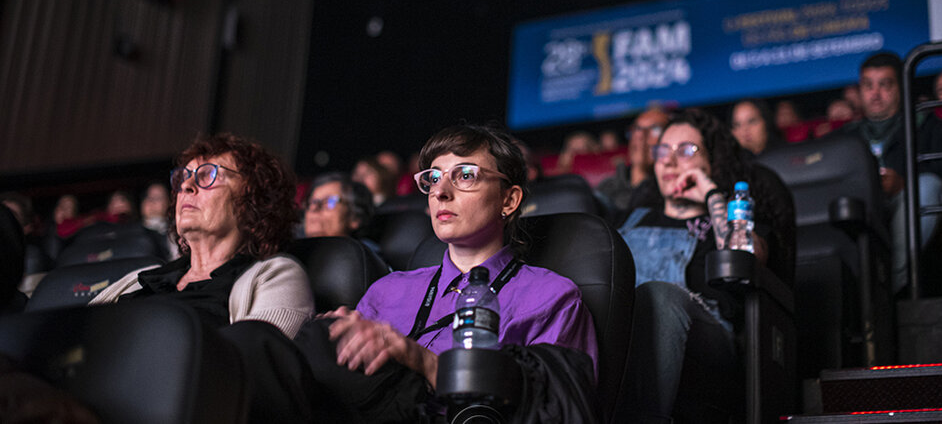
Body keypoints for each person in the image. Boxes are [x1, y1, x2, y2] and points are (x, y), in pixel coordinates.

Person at [295, 124, 599, 422]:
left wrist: (423, 362)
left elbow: (557, 407)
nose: (440, 191)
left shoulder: (551, 297)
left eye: (465, 176)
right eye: (434, 178)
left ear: (509, 200)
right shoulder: (387, 289)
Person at [615, 109, 795, 423]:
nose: (669, 162)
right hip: (624, 336)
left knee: (659, 297)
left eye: (686, 151)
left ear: (712, 160)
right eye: (662, 151)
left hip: (708, 343)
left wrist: (712, 194)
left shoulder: (731, 219)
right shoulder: (633, 218)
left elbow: (746, 257)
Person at [89, 133, 314, 339]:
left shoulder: (276, 275)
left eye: (208, 175)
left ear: (253, 199)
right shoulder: (138, 279)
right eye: (182, 177)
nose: (186, 185)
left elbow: (251, 369)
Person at [837, 52, 942, 294]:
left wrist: (903, 185)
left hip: (912, 214)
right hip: (863, 215)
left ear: (901, 87)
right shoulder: (844, 137)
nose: (875, 93)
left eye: (885, 84)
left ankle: (885, 292)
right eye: (868, 85)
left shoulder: (931, 127)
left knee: (927, 187)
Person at [597, 107, 670, 211]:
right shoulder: (607, 188)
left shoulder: (672, 188)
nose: (640, 136)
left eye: (655, 129)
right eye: (637, 129)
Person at [303, 172, 378, 253]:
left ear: (355, 218)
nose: (314, 209)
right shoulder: (295, 252)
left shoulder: (365, 257)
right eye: (312, 202)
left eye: (328, 202)